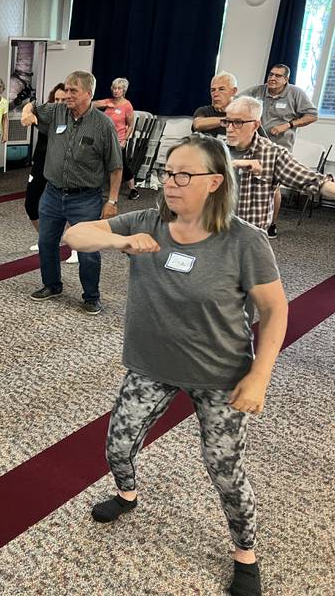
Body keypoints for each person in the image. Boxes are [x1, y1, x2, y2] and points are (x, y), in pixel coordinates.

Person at [66, 134, 288, 596]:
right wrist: (121, 240)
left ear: (214, 182)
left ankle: (245, 553)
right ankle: (127, 495)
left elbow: (275, 310)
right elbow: (75, 234)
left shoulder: (245, 242)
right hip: (151, 365)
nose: (171, 183)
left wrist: (259, 375)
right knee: (117, 447)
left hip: (221, 376)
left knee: (225, 469)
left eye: (184, 175)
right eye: (168, 172)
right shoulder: (148, 221)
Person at [21, 70, 122, 315]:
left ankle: (91, 296)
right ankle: (52, 285)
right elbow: (32, 106)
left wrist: (112, 201)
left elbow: (115, 166)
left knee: (88, 251)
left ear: (88, 93)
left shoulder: (103, 125)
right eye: (66, 90)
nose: (67, 95)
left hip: (85, 198)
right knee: (46, 242)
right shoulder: (57, 112)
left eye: (73, 91)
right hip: (53, 193)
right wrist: (27, 113)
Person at [223, 96, 335, 231]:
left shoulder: (272, 154)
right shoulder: (217, 150)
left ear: (255, 125)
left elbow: (314, 181)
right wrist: (232, 164)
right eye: (227, 122)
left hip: (250, 236)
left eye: (237, 123)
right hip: (216, 232)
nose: (229, 128)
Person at [241, 64, 319, 238]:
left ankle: (271, 224)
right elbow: (236, 101)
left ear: (286, 80)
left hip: (278, 149)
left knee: (272, 187)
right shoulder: (258, 91)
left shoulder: (295, 94)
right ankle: (246, 221)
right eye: (270, 74)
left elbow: (312, 115)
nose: (272, 78)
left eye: (277, 76)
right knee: (249, 182)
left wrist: (289, 125)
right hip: (254, 145)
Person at [25, 83, 77, 264]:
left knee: (67, 208)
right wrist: (27, 113)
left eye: (63, 100)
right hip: (40, 164)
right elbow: (31, 104)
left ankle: (76, 248)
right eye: (56, 99)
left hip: (61, 167)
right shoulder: (47, 115)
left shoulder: (72, 120)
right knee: (31, 203)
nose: (60, 103)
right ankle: (45, 240)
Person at [93, 77, 138, 200]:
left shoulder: (127, 105)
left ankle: (133, 189)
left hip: (119, 140)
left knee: (120, 165)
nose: (116, 91)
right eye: (114, 88)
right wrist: (105, 104)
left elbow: (130, 125)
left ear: (124, 90)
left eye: (119, 88)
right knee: (100, 163)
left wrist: (125, 140)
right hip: (104, 139)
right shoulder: (109, 101)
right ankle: (96, 189)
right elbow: (91, 104)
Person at [192, 71, 239, 138]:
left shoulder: (243, 113)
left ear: (234, 91)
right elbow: (197, 125)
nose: (215, 94)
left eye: (221, 89)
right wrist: (228, 120)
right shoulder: (204, 111)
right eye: (213, 90)